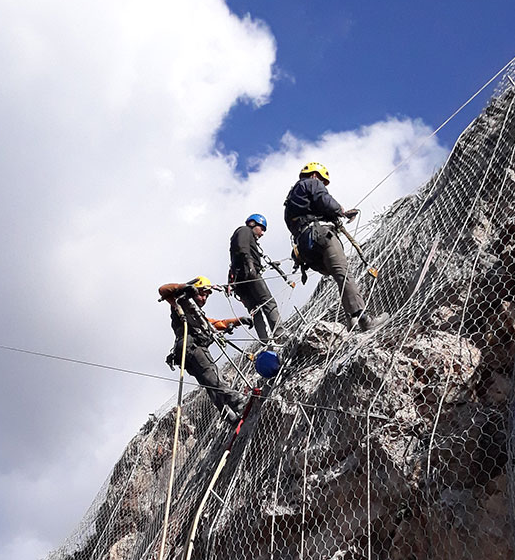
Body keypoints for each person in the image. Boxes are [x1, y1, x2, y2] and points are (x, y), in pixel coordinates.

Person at [283, 161, 378, 331]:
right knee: (343, 274)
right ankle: (364, 320)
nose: (321, 183)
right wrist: (340, 211)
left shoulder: (290, 201)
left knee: (337, 275)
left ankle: (351, 320)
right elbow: (324, 200)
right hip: (321, 235)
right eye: (321, 180)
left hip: (305, 247)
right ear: (315, 175)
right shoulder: (311, 183)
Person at [158, 277, 251, 424]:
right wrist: (184, 286)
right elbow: (163, 289)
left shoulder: (197, 315)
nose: (204, 298)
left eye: (207, 296)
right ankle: (239, 402)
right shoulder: (180, 303)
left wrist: (238, 321)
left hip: (187, 354)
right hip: (193, 348)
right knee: (213, 378)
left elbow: (215, 324)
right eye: (202, 294)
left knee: (210, 385)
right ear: (194, 291)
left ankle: (230, 417)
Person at [228, 213, 281, 344]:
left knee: (255, 310)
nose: (262, 233)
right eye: (261, 228)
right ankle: (280, 334)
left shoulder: (242, 236)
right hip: (249, 275)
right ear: (252, 224)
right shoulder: (244, 230)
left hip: (240, 281)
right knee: (268, 302)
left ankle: (265, 342)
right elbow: (243, 248)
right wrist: (251, 265)